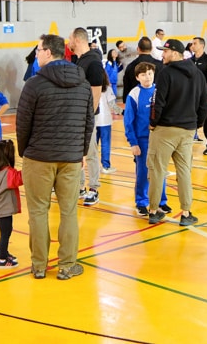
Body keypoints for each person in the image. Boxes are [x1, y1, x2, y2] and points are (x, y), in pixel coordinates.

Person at [16, 34, 94, 280]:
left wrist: (24, 150)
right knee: (68, 211)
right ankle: (67, 265)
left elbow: (22, 123)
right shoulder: (83, 84)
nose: (36, 54)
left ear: (48, 52)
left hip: (39, 157)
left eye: (38, 50)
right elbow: (88, 122)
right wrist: (81, 152)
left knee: (38, 212)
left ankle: (39, 265)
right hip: (71, 157)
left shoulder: (34, 84)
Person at [147, 39, 207, 226]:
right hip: (187, 131)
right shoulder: (198, 74)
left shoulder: (165, 73)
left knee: (157, 170)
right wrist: (196, 124)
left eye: (165, 51)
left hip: (165, 130)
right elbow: (204, 104)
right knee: (184, 172)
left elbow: (158, 102)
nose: (162, 55)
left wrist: (153, 123)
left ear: (175, 53)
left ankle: (153, 210)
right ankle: (186, 212)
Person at [69, 27, 111, 207]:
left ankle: (94, 188)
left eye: (70, 38)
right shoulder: (80, 60)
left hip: (86, 117)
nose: (68, 42)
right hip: (77, 114)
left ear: (77, 40)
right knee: (77, 152)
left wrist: (88, 117)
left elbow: (96, 94)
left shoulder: (93, 62)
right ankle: (80, 187)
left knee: (91, 151)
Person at [124, 62, 170, 216]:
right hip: (143, 140)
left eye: (150, 73)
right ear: (137, 77)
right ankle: (141, 202)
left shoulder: (160, 90)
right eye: (143, 75)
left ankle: (161, 201)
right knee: (143, 172)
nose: (147, 77)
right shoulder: (134, 94)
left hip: (160, 139)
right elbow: (129, 120)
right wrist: (133, 143)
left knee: (161, 170)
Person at [0, 140, 24, 268]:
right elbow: (20, 178)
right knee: (6, 233)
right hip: (4, 208)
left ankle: (5, 253)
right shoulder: (8, 173)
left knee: (5, 231)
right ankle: (2, 259)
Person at [190, 36, 207, 155]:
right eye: (192, 43)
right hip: (191, 97)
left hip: (204, 97)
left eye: (194, 43)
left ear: (202, 45)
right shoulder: (189, 61)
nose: (192, 45)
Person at [95, 71, 122, 173]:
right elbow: (112, 105)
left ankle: (93, 166)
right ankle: (106, 166)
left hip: (93, 121)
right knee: (105, 144)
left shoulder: (90, 88)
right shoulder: (107, 89)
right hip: (105, 121)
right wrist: (122, 112)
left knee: (93, 145)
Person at [122, 36, 163, 102]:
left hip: (137, 102)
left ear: (138, 49)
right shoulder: (160, 66)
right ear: (152, 48)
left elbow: (127, 88)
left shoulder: (131, 66)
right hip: (157, 102)